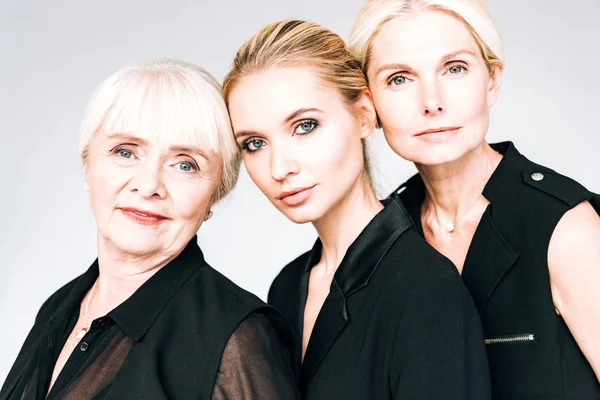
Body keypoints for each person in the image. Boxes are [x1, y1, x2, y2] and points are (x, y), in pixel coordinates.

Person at [0, 58, 299, 400]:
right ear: (87, 163)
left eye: (185, 164)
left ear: (216, 192)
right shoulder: (58, 309)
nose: (148, 185)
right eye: (125, 152)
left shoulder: (236, 336)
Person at [223, 20, 490, 399]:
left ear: (363, 115)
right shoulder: (286, 288)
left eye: (305, 126)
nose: (279, 168)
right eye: (254, 143)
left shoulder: (424, 288)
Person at [349, 1, 600, 397]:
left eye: (455, 69)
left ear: (492, 80)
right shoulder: (383, 239)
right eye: (399, 78)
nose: (431, 101)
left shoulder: (566, 228)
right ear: (369, 104)